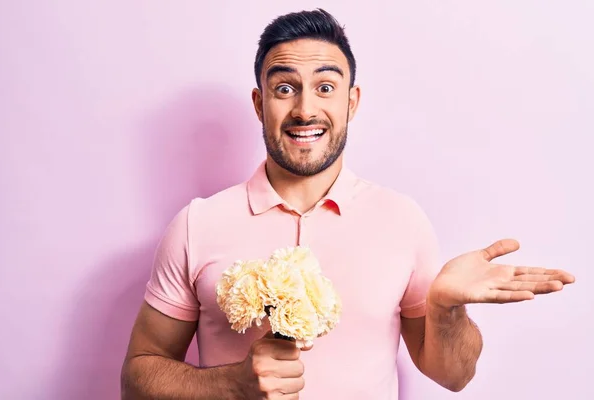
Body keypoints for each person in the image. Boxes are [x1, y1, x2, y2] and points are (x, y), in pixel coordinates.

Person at [120, 8, 575, 400]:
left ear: (351, 102)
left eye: (325, 87)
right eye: (284, 88)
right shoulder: (197, 224)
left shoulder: (402, 221)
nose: (304, 110)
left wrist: (445, 308)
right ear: (259, 105)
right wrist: (231, 386)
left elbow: (454, 376)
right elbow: (137, 377)